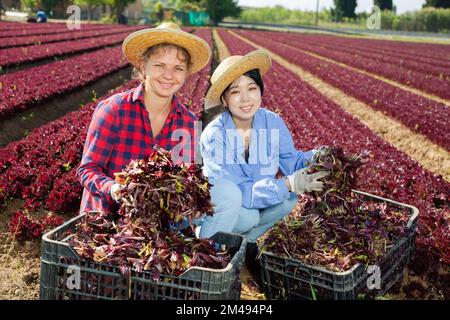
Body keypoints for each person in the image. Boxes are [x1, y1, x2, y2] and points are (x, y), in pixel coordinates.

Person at [197, 49, 329, 280]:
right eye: (235, 92)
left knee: (287, 201)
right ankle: (207, 252)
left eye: (252, 88)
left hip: (253, 202)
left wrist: (319, 157)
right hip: (223, 208)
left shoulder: (271, 122)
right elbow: (240, 193)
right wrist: (287, 184)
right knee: (250, 215)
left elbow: (291, 161)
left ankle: (244, 246)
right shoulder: (215, 135)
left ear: (260, 90)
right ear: (225, 100)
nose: (246, 98)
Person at [76, 22, 211, 215]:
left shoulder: (189, 124)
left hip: (155, 228)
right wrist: (114, 189)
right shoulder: (115, 109)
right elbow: (88, 169)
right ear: (143, 66)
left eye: (178, 68)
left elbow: (186, 180)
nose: (169, 75)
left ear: (186, 73)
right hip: (104, 222)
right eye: (159, 65)